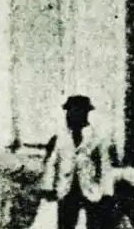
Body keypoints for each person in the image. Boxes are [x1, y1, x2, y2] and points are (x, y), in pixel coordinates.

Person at [40, 95, 113, 229]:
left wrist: (107, 192)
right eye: (68, 111)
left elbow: (104, 165)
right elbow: (52, 162)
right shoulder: (61, 136)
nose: (69, 115)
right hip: (66, 189)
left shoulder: (96, 137)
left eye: (74, 111)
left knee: (95, 224)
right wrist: (48, 187)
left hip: (90, 188)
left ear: (84, 113)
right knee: (65, 223)